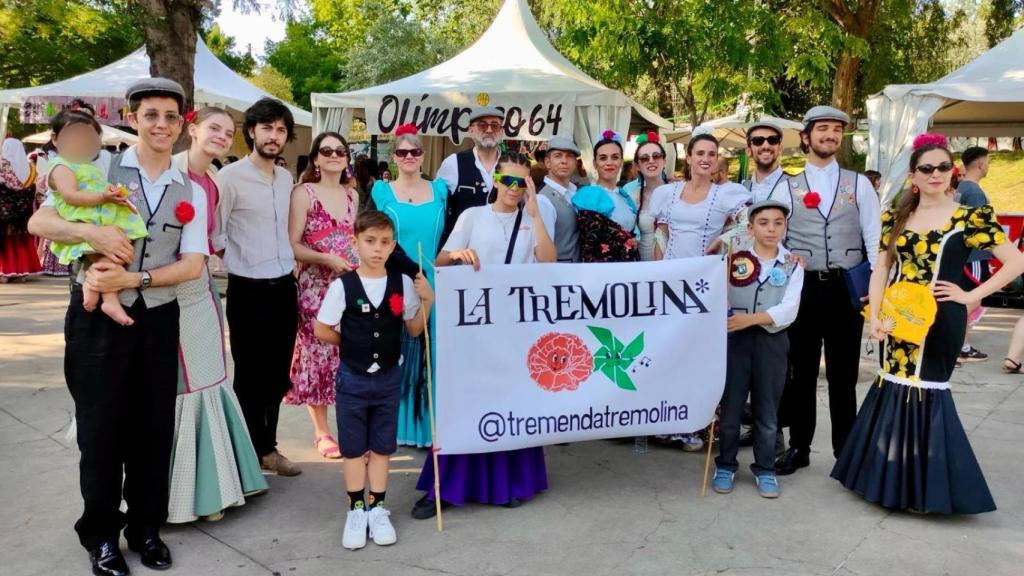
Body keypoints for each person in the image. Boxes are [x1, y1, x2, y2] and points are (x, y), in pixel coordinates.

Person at [28, 77, 207, 575]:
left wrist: (137, 276)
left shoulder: (191, 188)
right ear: (132, 119)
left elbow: (193, 263)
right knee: (102, 431)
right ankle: (101, 535)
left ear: (181, 125)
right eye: (151, 115)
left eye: (171, 117)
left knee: (153, 431)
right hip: (94, 324)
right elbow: (39, 224)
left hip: (159, 317)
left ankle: (147, 528)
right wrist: (94, 232)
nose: (161, 125)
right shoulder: (96, 167)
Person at [832, 133, 1024, 514]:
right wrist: (876, 316)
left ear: (951, 172)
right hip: (896, 319)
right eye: (926, 168)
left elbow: (1016, 262)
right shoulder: (895, 216)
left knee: (926, 387)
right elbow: (882, 268)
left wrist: (970, 296)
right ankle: (885, 478)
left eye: (942, 167)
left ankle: (922, 487)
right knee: (892, 383)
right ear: (913, 176)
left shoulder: (971, 217)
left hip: (940, 320)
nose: (935, 174)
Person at [412, 152, 554, 519]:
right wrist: (459, 254)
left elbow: (548, 262)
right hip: (473, 326)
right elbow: (440, 261)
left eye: (522, 183)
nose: (514, 189)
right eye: (508, 181)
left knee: (511, 403)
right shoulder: (472, 216)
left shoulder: (534, 217)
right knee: (465, 402)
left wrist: (536, 213)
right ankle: (443, 486)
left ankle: (507, 483)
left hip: (517, 327)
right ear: (495, 181)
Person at [169, 106, 269, 522]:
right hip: (165, 291)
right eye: (214, 128)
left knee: (211, 377)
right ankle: (189, 494)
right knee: (185, 385)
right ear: (192, 129)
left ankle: (220, 484)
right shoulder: (170, 174)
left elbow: (213, 238)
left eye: (228, 132)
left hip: (202, 292)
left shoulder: (213, 182)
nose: (222, 137)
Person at [314, 210, 434, 549]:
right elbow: (322, 328)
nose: (377, 249)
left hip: (388, 379)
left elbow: (413, 327)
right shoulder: (344, 286)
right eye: (369, 241)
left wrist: (428, 301)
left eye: (384, 242)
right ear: (355, 243)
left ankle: (378, 508)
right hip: (352, 379)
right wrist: (350, 345)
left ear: (393, 245)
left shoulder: (403, 284)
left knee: (382, 447)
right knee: (353, 449)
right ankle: (356, 509)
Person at [775, 105, 881, 476]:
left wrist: (873, 290)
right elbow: (776, 236)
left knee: (843, 373)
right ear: (806, 137)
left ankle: (846, 450)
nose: (830, 136)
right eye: (822, 129)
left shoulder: (859, 183)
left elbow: (873, 236)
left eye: (836, 130)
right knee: (801, 371)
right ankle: (800, 446)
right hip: (804, 289)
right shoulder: (786, 185)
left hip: (846, 288)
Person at [215, 97, 301, 477]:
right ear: (251, 131)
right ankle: (248, 455)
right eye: (267, 128)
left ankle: (268, 448)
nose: (274, 136)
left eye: (281, 130)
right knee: (249, 374)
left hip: (283, 287)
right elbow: (214, 233)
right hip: (247, 289)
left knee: (278, 373)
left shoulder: (286, 179)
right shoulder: (229, 179)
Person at [650, 131, 750, 452]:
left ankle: (701, 424)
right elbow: (661, 232)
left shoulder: (725, 194)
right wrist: (658, 269)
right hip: (671, 280)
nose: (706, 158)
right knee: (673, 351)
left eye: (711, 153)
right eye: (700, 153)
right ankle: (670, 423)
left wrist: (724, 240)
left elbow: (749, 224)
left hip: (706, 284)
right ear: (688, 157)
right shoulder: (668, 192)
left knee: (701, 355)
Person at [712, 199, 804, 499]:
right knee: (731, 408)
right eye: (763, 223)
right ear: (750, 228)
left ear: (786, 227)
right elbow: (716, 292)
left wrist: (747, 320)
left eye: (778, 223)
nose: (771, 229)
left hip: (771, 342)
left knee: (767, 409)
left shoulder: (792, 264)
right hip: (735, 342)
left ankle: (765, 468)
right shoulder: (733, 260)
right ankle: (725, 464)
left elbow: (789, 309)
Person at [370, 124, 447, 448]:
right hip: (399, 279)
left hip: (434, 278)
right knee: (400, 350)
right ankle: (400, 424)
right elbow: (377, 238)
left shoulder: (440, 189)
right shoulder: (382, 193)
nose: (409, 157)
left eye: (414, 151)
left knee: (433, 352)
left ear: (422, 155)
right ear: (394, 157)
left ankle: (430, 425)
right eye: (402, 152)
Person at [286, 131, 360, 460]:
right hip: (315, 287)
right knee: (317, 355)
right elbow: (293, 245)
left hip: (348, 286)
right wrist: (326, 259)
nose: (333, 155)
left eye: (340, 151)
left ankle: (349, 425)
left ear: (347, 158)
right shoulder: (304, 193)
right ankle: (321, 430)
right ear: (316, 158)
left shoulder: (352, 196)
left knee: (344, 356)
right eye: (326, 150)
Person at [45, 110, 147, 326]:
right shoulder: (61, 166)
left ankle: (94, 286)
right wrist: (103, 197)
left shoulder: (89, 165)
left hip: (96, 215)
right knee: (107, 254)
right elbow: (70, 196)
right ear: (56, 139)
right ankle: (107, 297)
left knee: (115, 253)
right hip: (83, 217)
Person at [436, 106, 504, 246]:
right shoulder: (453, 163)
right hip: (462, 253)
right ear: (471, 131)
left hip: (501, 251)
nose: (489, 130)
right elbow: (438, 207)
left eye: (495, 125)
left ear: (501, 131)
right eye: (482, 125)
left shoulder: (512, 165)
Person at [572, 130, 639, 263]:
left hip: (630, 268)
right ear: (595, 163)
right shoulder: (587, 196)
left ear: (621, 161)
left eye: (614, 157)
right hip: (602, 272)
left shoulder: (625, 197)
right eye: (603, 158)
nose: (609, 163)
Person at [954, 146, 992, 364]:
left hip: (965, 255)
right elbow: (981, 228)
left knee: (967, 299)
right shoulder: (975, 192)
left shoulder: (961, 188)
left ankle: (962, 346)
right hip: (974, 256)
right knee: (973, 300)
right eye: (988, 162)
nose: (988, 166)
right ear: (980, 164)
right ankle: (957, 344)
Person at [625, 131, 670, 262]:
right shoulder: (632, 196)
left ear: (664, 161)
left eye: (656, 156)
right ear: (638, 166)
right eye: (645, 158)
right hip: (644, 267)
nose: (651, 161)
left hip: (674, 266)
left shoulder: (679, 192)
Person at [1, 136, 42, 280]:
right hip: (23, 214)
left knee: (5, 242)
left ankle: (5, 271)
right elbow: (32, 189)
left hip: (4, 214)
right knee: (21, 240)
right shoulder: (30, 168)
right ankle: (22, 270)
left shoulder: (2, 167)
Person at [538, 137, 582, 262]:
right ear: (548, 163)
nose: (564, 161)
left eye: (569, 156)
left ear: (575, 162)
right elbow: (543, 251)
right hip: (559, 274)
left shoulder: (575, 192)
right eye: (558, 156)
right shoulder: (543, 199)